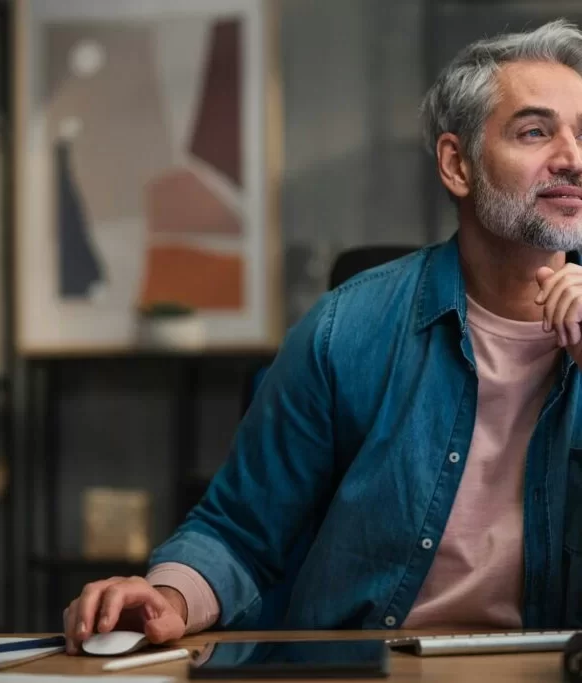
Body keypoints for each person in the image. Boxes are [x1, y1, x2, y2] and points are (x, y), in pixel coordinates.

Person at [65, 18, 582, 654]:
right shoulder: (347, 329)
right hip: (366, 670)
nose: (572, 159)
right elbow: (240, 529)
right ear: (457, 165)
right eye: (536, 131)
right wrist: (166, 598)